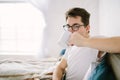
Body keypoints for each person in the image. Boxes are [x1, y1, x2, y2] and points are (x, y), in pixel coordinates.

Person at [53, 7, 101, 80]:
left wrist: (83, 41)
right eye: (68, 26)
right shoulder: (71, 46)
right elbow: (60, 67)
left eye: (76, 26)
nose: (70, 31)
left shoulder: (96, 41)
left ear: (87, 28)